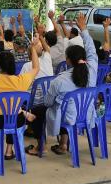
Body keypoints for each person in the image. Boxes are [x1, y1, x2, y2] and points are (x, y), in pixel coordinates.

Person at [40, 12, 97, 156]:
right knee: (65, 106)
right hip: (87, 114)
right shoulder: (92, 70)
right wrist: (84, 30)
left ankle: (42, 146)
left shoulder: (60, 80)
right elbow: (91, 50)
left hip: (68, 117)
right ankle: (63, 143)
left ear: (68, 60)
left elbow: (47, 103)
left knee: (48, 109)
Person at [0, 44, 39, 160]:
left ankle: (21, 111)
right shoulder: (21, 80)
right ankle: (9, 151)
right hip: (16, 120)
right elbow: (36, 68)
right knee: (12, 115)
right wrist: (32, 48)